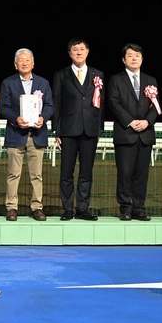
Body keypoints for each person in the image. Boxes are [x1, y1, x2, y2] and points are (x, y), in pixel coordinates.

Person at [52, 37, 104, 221]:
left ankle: (82, 209)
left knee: (86, 172)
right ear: (70, 53)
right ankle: (67, 209)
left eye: (82, 49)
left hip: (90, 130)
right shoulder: (61, 75)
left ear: (87, 51)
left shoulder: (98, 74)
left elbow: (101, 104)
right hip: (67, 130)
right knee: (66, 172)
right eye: (75, 50)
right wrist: (56, 130)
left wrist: (99, 129)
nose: (79, 52)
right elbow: (56, 103)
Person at [0, 47, 54, 221]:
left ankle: (37, 207)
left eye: (27, 60)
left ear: (33, 63)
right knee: (13, 174)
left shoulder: (43, 83)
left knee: (37, 175)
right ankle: (11, 207)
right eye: (20, 60)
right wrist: (16, 119)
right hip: (16, 133)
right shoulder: (8, 83)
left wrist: (43, 118)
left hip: (37, 134)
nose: (24, 63)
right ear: (16, 65)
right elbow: (4, 107)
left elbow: (50, 105)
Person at [107, 42, 160, 221]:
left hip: (145, 134)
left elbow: (156, 106)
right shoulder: (116, 79)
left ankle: (139, 208)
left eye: (137, 55)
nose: (134, 58)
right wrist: (130, 122)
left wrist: (147, 121)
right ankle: (125, 208)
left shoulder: (150, 80)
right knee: (124, 173)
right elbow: (114, 103)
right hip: (126, 134)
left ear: (142, 59)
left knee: (141, 174)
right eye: (130, 55)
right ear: (124, 60)